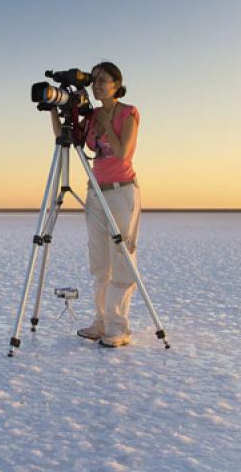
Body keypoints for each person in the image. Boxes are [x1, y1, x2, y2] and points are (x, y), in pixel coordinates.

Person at [49, 61, 141, 348]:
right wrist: (53, 108)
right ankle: (101, 323)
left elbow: (123, 154)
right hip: (95, 192)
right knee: (100, 263)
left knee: (122, 259)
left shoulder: (128, 113)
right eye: (95, 80)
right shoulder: (91, 114)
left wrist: (104, 126)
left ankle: (118, 328)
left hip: (121, 191)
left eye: (103, 80)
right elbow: (65, 139)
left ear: (117, 84)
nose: (97, 85)